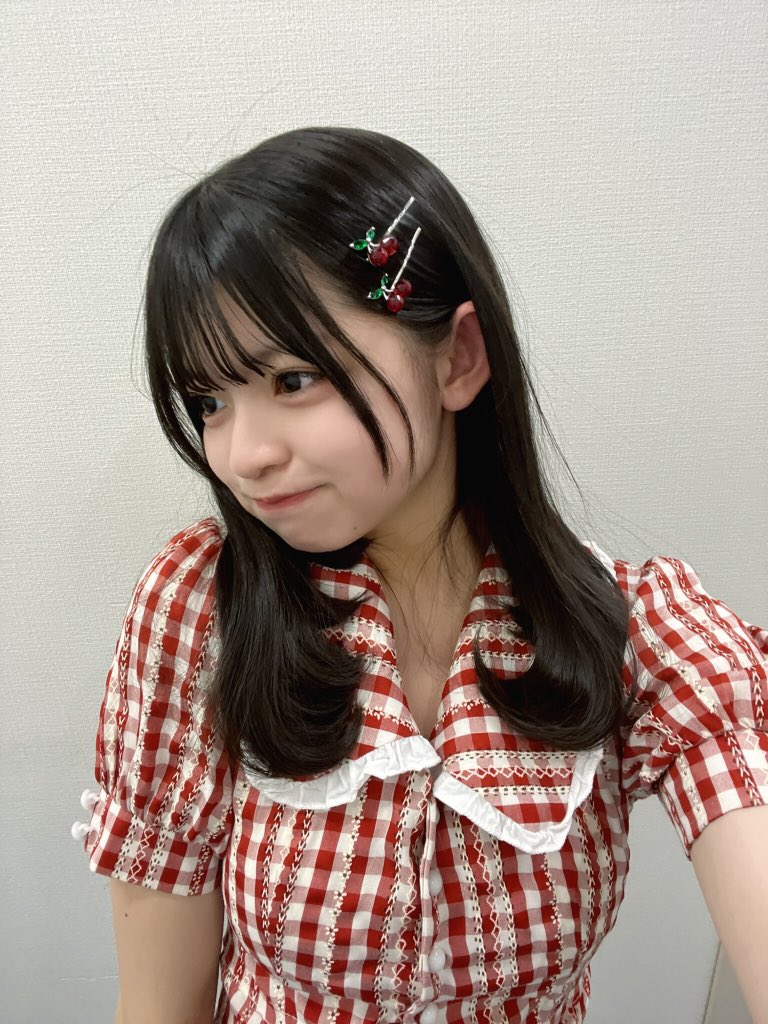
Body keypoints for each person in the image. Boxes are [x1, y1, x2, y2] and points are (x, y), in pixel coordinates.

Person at [71, 126, 768, 1024]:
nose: (243, 456)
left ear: (457, 358)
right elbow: (159, 1006)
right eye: (209, 402)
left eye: (293, 379)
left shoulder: (632, 627)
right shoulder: (202, 608)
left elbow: (732, 769)